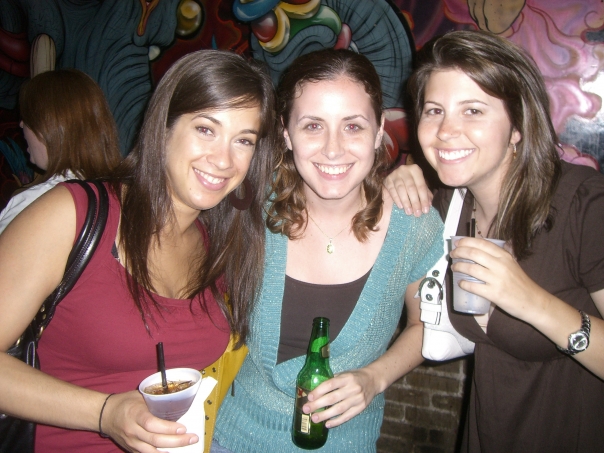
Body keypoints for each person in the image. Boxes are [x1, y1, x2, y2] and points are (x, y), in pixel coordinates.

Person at [0, 49, 277, 452]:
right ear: (163, 127)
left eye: (243, 140)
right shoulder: (73, 215)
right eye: (205, 129)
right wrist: (104, 413)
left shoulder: (220, 246)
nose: (223, 159)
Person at [213, 48, 444, 453]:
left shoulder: (413, 225)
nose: (333, 149)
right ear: (286, 133)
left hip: (347, 442)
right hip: (234, 436)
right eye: (313, 125)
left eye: (353, 126)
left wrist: (374, 377)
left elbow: (426, 324)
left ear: (379, 131)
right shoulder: (248, 211)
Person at [385, 30, 604, 452]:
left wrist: (530, 300)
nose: (446, 131)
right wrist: (398, 177)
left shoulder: (585, 205)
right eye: (435, 110)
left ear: (517, 125)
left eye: (473, 110)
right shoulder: (450, 204)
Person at [0, 69, 122, 234]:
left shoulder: (36, 203)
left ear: (51, 127)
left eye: (28, 118)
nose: (21, 125)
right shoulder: (117, 196)